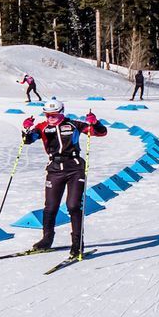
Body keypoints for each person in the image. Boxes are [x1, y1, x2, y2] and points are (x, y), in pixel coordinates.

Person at [21, 98, 107, 259]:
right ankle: (47, 239)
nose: (50, 118)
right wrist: (26, 129)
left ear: (62, 113)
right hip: (54, 169)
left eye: (54, 115)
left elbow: (101, 132)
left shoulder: (73, 125)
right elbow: (27, 141)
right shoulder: (42, 127)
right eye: (47, 115)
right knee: (50, 207)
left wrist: (94, 122)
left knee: (73, 205)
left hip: (74, 168)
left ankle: (77, 244)